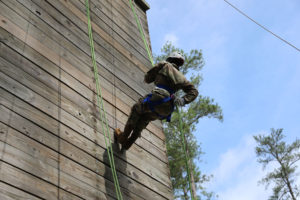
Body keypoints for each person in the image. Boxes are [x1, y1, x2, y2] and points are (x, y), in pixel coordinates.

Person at [114, 52, 198, 150]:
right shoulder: (183, 79)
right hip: (167, 108)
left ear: (170, 59)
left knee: (137, 109)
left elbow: (148, 79)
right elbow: (194, 91)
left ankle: (123, 137)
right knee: (144, 119)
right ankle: (127, 145)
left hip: (158, 97)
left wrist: (153, 77)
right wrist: (183, 100)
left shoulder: (165, 65)